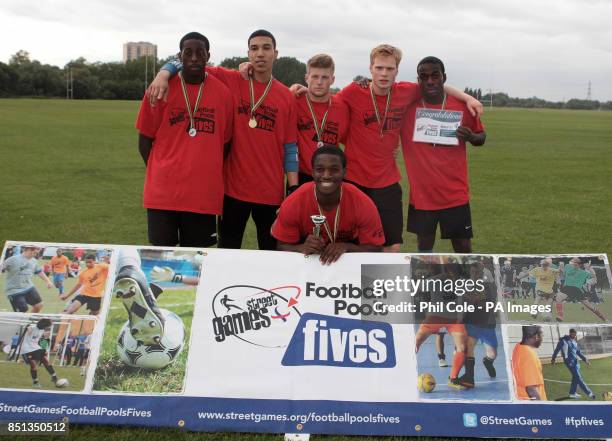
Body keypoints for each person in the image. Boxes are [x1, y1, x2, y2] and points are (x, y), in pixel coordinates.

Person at [149, 29, 299, 250]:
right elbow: (191, 61)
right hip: (232, 190)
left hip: (270, 191)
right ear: (248, 53)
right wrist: (163, 73)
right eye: (254, 48)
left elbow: (290, 146)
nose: (260, 54)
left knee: (271, 252)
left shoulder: (286, 96)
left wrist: (293, 188)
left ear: (275, 54)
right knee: (227, 252)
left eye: (266, 48)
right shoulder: (231, 79)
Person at [334, 45, 482, 253]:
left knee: (392, 245)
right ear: (370, 68)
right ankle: (351, 285)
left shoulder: (406, 92)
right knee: (352, 242)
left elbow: (435, 85)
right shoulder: (352, 91)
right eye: (379, 68)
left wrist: (468, 97)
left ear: (397, 70)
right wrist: (300, 89)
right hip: (356, 180)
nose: (384, 73)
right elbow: (326, 101)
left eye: (389, 69)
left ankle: (382, 285)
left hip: (388, 182)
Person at [136, 32, 234, 248]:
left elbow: (224, 144)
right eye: (188, 53)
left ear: (208, 56)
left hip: (203, 196)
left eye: (200, 53)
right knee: (160, 259)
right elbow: (144, 140)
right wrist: (160, 171)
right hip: (162, 195)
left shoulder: (223, 94)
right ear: (179, 56)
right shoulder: (159, 89)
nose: (194, 58)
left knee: (199, 264)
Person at [400, 56, 486, 254]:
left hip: (455, 195)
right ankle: (424, 285)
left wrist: (471, 136)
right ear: (418, 80)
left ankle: (466, 285)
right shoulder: (407, 108)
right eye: (424, 76)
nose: (429, 81)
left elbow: (482, 137)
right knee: (424, 248)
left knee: (463, 248)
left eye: (435, 76)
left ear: (444, 77)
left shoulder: (462, 106)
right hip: (422, 196)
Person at [271, 146, 385, 264]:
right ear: (312, 172)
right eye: (320, 169)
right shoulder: (294, 202)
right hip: (308, 257)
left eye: (334, 169)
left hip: (349, 254)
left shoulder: (362, 203)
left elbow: (376, 248)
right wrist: (301, 248)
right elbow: (281, 247)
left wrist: (347, 247)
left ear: (344, 172)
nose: (326, 175)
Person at [414, 262, 468, 390]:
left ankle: (453, 378)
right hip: (442, 317)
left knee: (462, 348)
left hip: (446, 318)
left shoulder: (457, 281)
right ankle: (453, 378)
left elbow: (417, 288)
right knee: (416, 342)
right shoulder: (441, 280)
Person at [1, 245, 52, 313]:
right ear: (28, 249)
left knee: (39, 305)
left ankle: (28, 321)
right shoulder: (13, 259)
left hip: (28, 287)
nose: (36, 254)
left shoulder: (34, 261)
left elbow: (39, 271)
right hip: (14, 290)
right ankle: (22, 321)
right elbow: (2, 267)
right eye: (35, 252)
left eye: (37, 252)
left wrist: (48, 281)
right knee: (23, 311)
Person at [551, 328, 595, 399]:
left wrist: (585, 360)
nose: (574, 336)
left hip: (576, 363)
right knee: (578, 378)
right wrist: (553, 358)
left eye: (575, 334)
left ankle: (572, 393)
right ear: (570, 333)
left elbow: (578, 352)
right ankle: (589, 393)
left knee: (575, 378)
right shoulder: (563, 341)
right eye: (573, 334)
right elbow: (557, 349)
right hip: (569, 362)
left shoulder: (574, 342)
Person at [19, 318, 62, 389]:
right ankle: (35, 382)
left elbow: (36, 340)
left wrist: (43, 348)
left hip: (36, 348)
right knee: (33, 366)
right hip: (27, 349)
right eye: (47, 326)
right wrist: (28, 328)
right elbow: (28, 328)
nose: (47, 327)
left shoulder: (42, 330)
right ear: (44, 324)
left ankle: (54, 377)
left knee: (46, 361)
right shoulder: (32, 327)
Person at [511, 325, 547, 400]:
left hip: (521, 399)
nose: (542, 338)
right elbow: (531, 389)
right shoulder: (529, 355)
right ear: (536, 336)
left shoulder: (518, 347)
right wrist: (542, 408)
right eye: (542, 335)